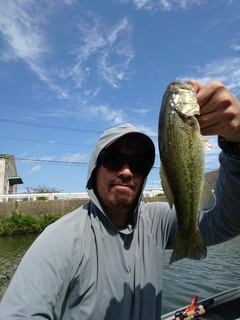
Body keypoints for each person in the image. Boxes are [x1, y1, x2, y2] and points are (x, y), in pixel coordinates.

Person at [0, 80, 240, 320]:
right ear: (95, 168)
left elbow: (228, 221)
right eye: (113, 159)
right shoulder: (60, 240)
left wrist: (236, 142)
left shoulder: (157, 222)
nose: (126, 171)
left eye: (138, 164)